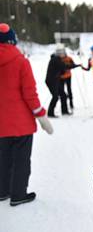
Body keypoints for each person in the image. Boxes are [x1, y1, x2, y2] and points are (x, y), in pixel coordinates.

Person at [0, 23, 53, 207]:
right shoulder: (21, 62)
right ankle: (18, 194)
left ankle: (3, 191)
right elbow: (29, 94)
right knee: (21, 160)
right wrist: (42, 117)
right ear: (12, 41)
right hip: (21, 124)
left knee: (3, 158)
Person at [45, 44, 79, 117]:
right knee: (55, 96)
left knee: (63, 95)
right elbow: (64, 66)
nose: (63, 54)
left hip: (56, 80)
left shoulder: (58, 59)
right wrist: (74, 66)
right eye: (61, 52)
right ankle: (50, 113)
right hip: (51, 81)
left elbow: (61, 69)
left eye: (63, 52)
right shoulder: (55, 59)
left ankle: (64, 111)